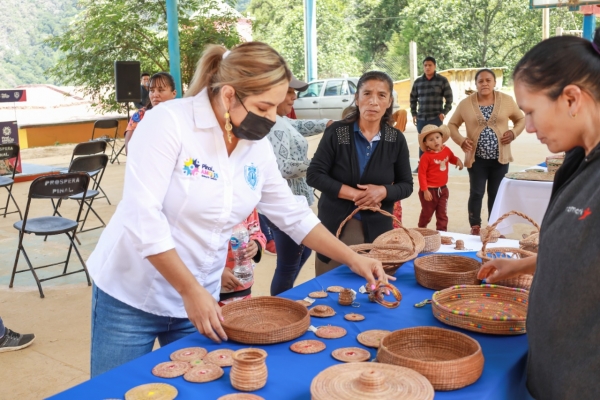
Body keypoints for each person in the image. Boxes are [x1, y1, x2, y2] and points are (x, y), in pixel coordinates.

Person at [87, 42, 389, 377]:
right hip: (132, 295)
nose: (273, 119)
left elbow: (293, 213)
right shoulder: (168, 123)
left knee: (199, 385)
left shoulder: (254, 146)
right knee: (114, 389)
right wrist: (190, 290)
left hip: (201, 297)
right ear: (229, 95)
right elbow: (142, 218)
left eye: (277, 106)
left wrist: (353, 257)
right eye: (264, 107)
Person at [478, 29, 600, 399]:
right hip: (554, 371)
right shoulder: (577, 160)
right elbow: (581, 254)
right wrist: (521, 266)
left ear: (571, 99)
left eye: (531, 112)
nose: (527, 127)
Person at [307, 71, 413, 276]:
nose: (373, 101)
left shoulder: (394, 139)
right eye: (367, 94)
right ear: (357, 98)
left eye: (382, 95)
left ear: (389, 101)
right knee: (334, 288)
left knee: (373, 290)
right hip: (337, 225)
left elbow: (406, 185)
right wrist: (356, 195)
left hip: (379, 230)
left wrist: (382, 192)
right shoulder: (339, 133)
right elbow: (315, 174)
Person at [264, 75, 332, 295]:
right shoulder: (273, 125)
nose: (294, 97)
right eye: (290, 92)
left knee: (301, 253)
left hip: (291, 201)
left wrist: (328, 123)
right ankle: (281, 305)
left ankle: (284, 298)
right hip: (284, 205)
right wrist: (319, 165)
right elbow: (284, 168)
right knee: (289, 262)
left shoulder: (279, 119)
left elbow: (298, 125)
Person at [448, 69, 525, 235]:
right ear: (476, 84)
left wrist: (513, 133)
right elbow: (452, 124)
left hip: (500, 159)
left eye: (488, 80)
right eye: (481, 81)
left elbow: (521, 119)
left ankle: (494, 227)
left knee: (496, 194)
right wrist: (462, 141)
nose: (484, 84)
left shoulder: (507, 100)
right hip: (476, 159)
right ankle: (475, 226)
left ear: (494, 83)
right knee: (476, 192)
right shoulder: (465, 104)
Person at [410, 56, 453, 170]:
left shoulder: (442, 81)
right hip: (421, 118)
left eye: (430, 65)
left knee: (436, 142)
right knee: (423, 142)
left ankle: (436, 165)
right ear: (423, 67)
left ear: (434, 66)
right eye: (425, 65)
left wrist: (444, 112)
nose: (427, 67)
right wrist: (414, 114)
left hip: (435, 118)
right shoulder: (418, 82)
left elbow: (449, 98)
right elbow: (413, 99)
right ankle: (422, 166)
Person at [417, 124, 463, 231]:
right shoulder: (426, 157)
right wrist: (425, 190)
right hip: (429, 191)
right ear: (426, 143)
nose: (435, 141)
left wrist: (457, 161)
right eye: (431, 140)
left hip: (443, 189)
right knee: (427, 213)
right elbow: (421, 174)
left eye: (437, 137)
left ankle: (442, 233)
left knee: (442, 214)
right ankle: (421, 229)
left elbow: (451, 158)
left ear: (442, 138)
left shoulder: (446, 150)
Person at [219, 210, 266, 305]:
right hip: (213, 290)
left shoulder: (249, 205)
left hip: (243, 285)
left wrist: (256, 244)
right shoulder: (206, 207)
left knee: (243, 316)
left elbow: (257, 232)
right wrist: (217, 272)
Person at [124, 72, 177, 152]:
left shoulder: (181, 115)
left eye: (161, 90)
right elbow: (129, 150)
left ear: (173, 93)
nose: (155, 95)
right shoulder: (140, 116)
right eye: (151, 90)